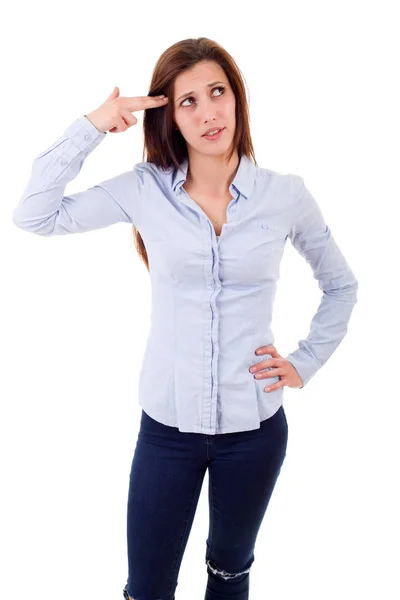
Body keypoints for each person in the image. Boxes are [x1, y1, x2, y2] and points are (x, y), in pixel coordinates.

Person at [12, 37, 358, 600]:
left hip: (255, 432)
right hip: (166, 432)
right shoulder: (146, 190)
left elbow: (341, 285)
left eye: (216, 92)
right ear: (169, 117)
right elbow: (35, 214)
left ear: (237, 98)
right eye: (187, 101)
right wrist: (94, 125)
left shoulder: (285, 195)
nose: (207, 112)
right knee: (148, 587)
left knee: (229, 572)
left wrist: (306, 361)